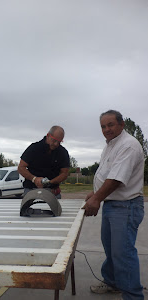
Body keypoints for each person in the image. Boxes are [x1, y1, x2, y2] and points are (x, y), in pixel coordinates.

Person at [83, 110, 144, 300]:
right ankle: (112, 283)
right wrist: (96, 193)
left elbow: (117, 179)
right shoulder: (111, 145)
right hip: (113, 205)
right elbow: (108, 174)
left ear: (121, 124)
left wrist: (96, 199)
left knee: (123, 255)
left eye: (110, 125)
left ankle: (133, 296)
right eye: (103, 126)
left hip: (125, 207)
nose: (106, 129)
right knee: (112, 250)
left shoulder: (129, 145)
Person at [18, 125, 70, 198]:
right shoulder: (34, 148)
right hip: (31, 191)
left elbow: (64, 173)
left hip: (53, 193)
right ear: (48, 135)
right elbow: (21, 167)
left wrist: (49, 183)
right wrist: (34, 179)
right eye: (54, 140)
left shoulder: (62, 152)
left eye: (59, 142)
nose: (56, 144)